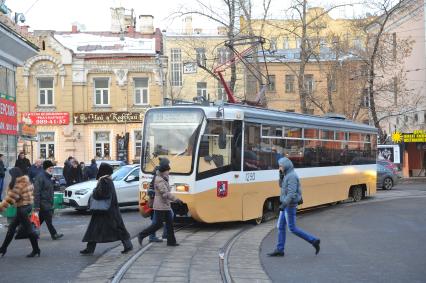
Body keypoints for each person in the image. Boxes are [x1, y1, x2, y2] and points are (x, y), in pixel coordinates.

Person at [268, 157, 320, 257]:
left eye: (281, 166)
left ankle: (314, 240)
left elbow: (291, 193)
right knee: (280, 226)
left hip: (289, 205)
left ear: (286, 166)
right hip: (286, 204)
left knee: (292, 228)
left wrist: (284, 204)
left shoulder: (292, 176)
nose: (279, 168)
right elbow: (281, 186)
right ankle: (280, 250)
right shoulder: (286, 174)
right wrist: (280, 176)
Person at [80, 163, 133, 255]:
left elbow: (103, 194)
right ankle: (90, 248)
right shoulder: (108, 180)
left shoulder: (104, 181)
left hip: (105, 211)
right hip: (109, 210)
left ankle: (128, 245)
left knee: (102, 229)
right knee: (101, 229)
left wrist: (94, 191)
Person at [138, 158, 182, 247]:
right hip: (160, 205)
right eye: (167, 171)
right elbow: (165, 194)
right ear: (163, 171)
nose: (169, 172)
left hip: (165, 205)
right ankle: (142, 235)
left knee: (169, 224)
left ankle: (171, 242)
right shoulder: (159, 180)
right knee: (157, 224)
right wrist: (176, 199)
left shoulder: (164, 178)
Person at [0, 167, 40, 257]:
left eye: (10, 175)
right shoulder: (26, 181)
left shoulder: (18, 185)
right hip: (26, 206)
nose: (9, 177)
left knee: (29, 230)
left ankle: (36, 249)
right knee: (12, 228)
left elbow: (9, 200)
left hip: (22, 208)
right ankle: (3, 248)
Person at [34, 160, 64, 240]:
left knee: (40, 219)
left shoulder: (48, 177)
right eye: (50, 168)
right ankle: (54, 234)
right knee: (48, 219)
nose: (52, 169)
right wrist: (36, 206)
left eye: (52, 168)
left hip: (48, 202)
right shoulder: (40, 177)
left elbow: (49, 190)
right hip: (43, 202)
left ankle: (28, 232)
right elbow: (36, 192)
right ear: (46, 168)